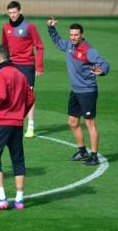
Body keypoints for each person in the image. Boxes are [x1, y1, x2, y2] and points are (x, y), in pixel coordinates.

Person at [47, 17, 110, 166]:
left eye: (76, 35)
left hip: (87, 91)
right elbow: (58, 42)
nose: (73, 37)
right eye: (71, 34)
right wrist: (51, 28)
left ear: (81, 35)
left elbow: (104, 63)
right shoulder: (69, 45)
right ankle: (82, 152)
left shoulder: (89, 50)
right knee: (73, 121)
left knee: (89, 123)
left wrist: (102, 71)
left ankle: (94, 156)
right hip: (75, 91)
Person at [0, 45, 35, 210]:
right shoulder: (21, 75)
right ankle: (19, 200)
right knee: (17, 160)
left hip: (1, 123)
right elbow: (31, 98)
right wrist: (21, 113)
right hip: (17, 124)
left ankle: (1, 198)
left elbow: (1, 95)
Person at [2, 1, 44, 138]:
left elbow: (39, 46)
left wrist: (39, 65)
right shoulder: (6, 27)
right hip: (12, 65)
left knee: (28, 96)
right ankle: (12, 123)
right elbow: (4, 47)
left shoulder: (29, 26)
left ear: (20, 11)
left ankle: (30, 126)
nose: (12, 15)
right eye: (10, 13)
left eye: (14, 12)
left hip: (27, 65)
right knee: (11, 95)